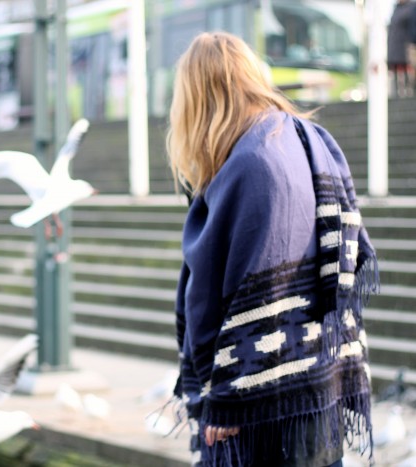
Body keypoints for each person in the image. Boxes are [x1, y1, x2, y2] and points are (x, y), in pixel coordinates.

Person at [165, 32, 378, 467]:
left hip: (259, 407)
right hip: (319, 383)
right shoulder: (313, 140)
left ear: (197, 97)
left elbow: (227, 288)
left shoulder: (249, 161)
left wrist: (224, 391)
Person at [388, 0, 416, 97]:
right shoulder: (396, 9)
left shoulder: (412, 8)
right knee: (397, 83)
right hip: (395, 52)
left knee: (409, 82)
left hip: (408, 50)